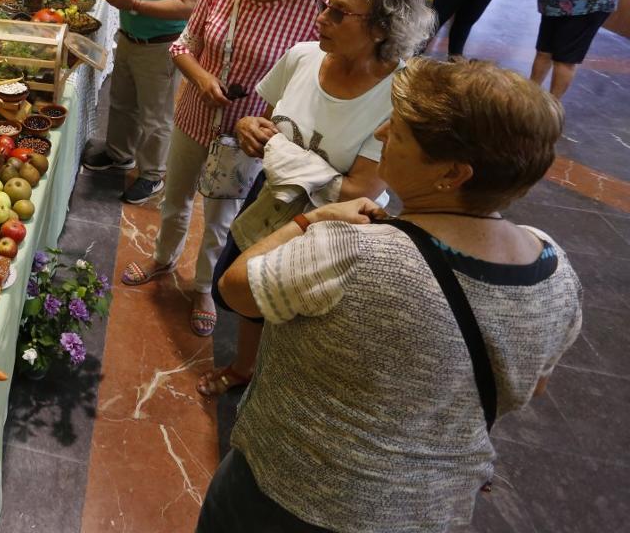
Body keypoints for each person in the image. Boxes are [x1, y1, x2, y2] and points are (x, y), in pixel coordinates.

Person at [197, 58, 582, 533]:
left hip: (291, 491)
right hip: (425, 510)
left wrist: (309, 220)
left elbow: (236, 289)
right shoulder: (555, 269)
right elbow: (533, 385)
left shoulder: (353, 249)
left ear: (452, 174)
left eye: (398, 133)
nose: (380, 133)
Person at [198, 0, 434, 396]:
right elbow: (270, 130)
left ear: (382, 28)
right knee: (251, 294)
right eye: (326, 4)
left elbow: (359, 191)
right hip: (272, 199)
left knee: (299, 318)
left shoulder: (399, 95)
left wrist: (280, 153)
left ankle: (277, 389)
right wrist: (248, 127)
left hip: (339, 228)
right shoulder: (302, 57)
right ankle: (245, 366)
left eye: (339, 13)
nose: (321, 18)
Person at [118, 0, 336, 339]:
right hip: (195, 117)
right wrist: (202, 79)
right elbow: (183, 45)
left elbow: (312, 78)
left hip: (247, 138)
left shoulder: (311, 11)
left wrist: (274, 122)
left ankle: (204, 287)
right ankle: (163, 258)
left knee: (222, 217)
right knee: (175, 199)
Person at [83, 0, 213, 204]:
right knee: (122, 102)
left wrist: (137, 4)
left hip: (160, 45)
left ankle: (153, 174)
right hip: (130, 36)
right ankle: (119, 153)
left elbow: (189, 5)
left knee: (155, 116)